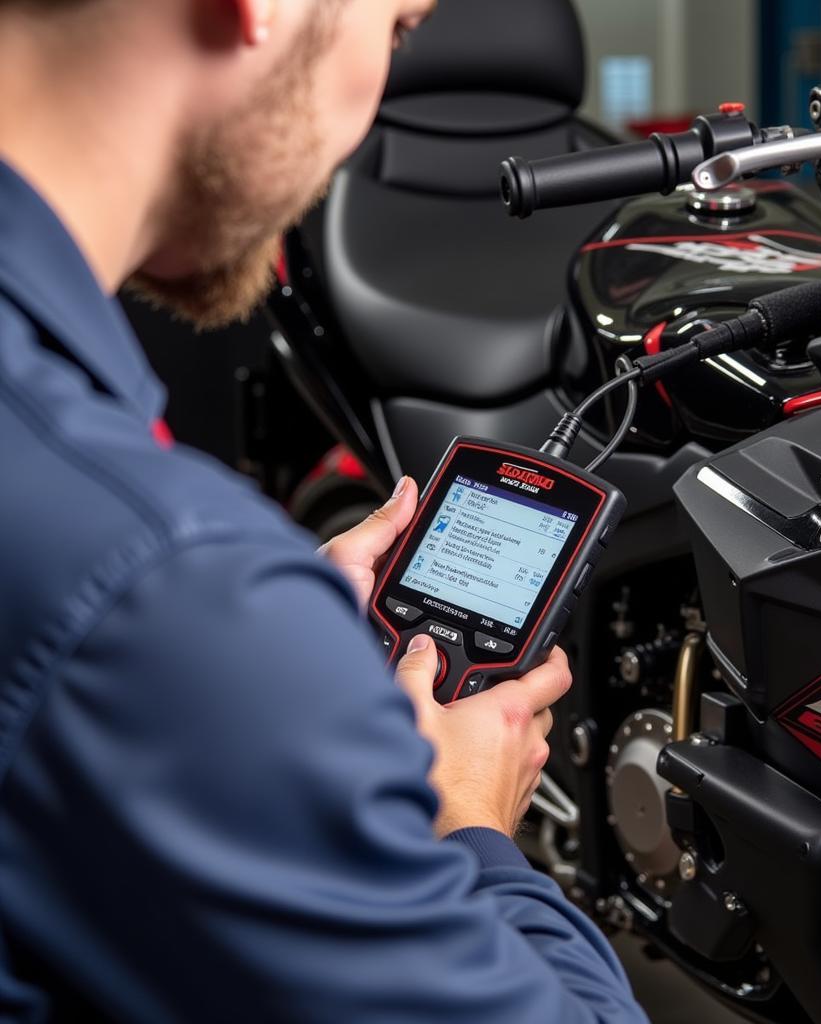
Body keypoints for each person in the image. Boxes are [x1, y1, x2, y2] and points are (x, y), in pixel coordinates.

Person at [0, 1, 649, 1021]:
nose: (375, 100)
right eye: (393, 29)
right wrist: (466, 823)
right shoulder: (157, 577)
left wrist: (258, 665)